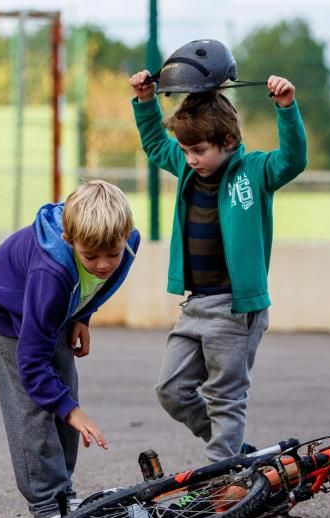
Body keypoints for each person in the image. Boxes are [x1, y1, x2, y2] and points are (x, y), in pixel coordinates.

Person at [129, 66, 307, 462]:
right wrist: (144, 101)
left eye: (198, 151)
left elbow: (293, 160)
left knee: (226, 398)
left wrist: (286, 107)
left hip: (234, 309)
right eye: (187, 150)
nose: (189, 159)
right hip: (194, 306)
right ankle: (231, 451)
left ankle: (222, 474)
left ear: (228, 140)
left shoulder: (255, 171)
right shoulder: (188, 169)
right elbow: (158, 145)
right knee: (171, 390)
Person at [0, 180, 140, 518]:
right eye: (90, 256)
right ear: (69, 239)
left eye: (111, 253)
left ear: (126, 235)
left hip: (57, 308)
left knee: (64, 390)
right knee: (35, 405)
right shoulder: (50, 273)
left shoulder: (126, 244)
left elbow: (105, 282)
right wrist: (72, 411)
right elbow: (32, 363)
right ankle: (46, 509)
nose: (102, 264)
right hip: (9, 309)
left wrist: (84, 314)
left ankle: (64, 495)